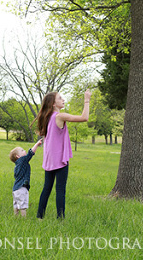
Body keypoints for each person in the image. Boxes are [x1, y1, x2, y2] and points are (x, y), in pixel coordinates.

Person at [35, 90, 91, 219]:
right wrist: (86, 100)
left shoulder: (47, 118)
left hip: (49, 159)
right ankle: (60, 219)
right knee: (60, 190)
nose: (63, 100)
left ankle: (39, 217)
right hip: (59, 159)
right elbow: (84, 118)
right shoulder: (59, 116)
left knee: (47, 188)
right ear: (53, 104)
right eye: (60, 98)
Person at [10, 138, 43, 217]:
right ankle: (24, 219)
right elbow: (31, 153)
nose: (24, 151)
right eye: (22, 150)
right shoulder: (22, 160)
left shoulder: (17, 165)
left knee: (16, 205)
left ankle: (16, 217)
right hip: (22, 188)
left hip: (15, 189)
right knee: (23, 206)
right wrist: (37, 144)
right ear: (18, 156)